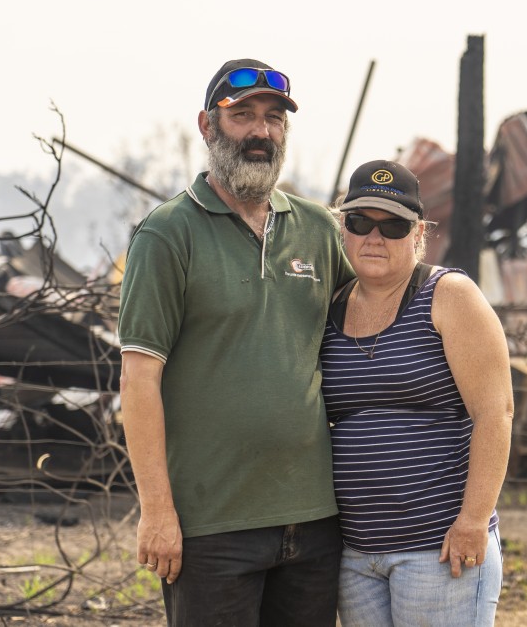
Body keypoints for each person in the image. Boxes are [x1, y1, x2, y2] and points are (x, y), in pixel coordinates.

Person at [117, 59, 353, 626]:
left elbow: (370, 325)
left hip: (315, 519)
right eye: (242, 115)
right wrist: (157, 512)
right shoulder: (168, 233)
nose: (260, 132)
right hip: (211, 526)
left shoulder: (318, 229)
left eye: (273, 119)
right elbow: (138, 379)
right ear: (207, 125)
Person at [320, 160, 515, 626]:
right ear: (342, 228)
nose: (375, 236)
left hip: (439, 548)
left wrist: (473, 522)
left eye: (394, 225)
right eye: (361, 221)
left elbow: (496, 413)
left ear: (419, 234)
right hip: (356, 555)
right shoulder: (329, 307)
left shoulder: (448, 295)